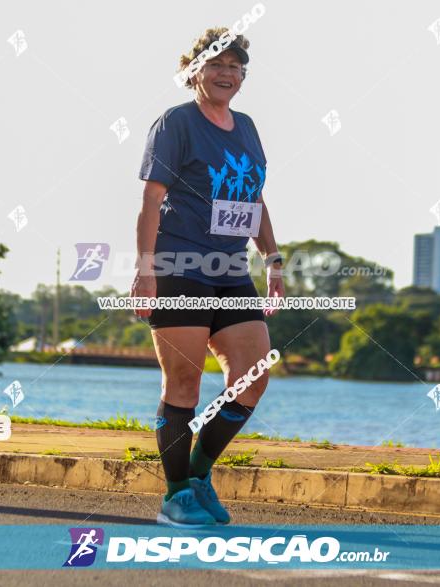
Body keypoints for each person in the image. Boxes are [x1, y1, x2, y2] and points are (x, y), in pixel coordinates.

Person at [134, 27, 284, 528]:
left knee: (253, 376)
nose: (226, 73)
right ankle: (175, 496)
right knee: (184, 383)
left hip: (231, 269)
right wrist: (145, 269)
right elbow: (151, 200)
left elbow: (253, 199)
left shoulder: (247, 127)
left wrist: (274, 259)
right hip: (179, 267)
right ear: (194, 71)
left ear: (243, 75)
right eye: (215, 64)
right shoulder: (175, 123)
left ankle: (198, 476)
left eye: (235, 66)